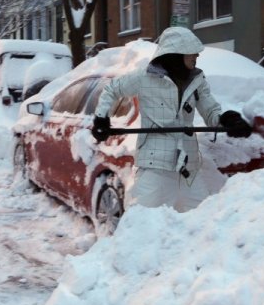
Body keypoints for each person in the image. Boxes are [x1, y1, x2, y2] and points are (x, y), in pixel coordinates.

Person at [91, 27, 251, 212]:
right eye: (192, 53)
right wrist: (101, 118)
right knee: (145, 222)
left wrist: (227, 121)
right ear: (176, 54)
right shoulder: (145, 77)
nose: (196, 57)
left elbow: (210, 111)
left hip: (188, 167)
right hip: (155, 166)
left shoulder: (197, 81)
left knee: (201, 222)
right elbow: (112, 90)